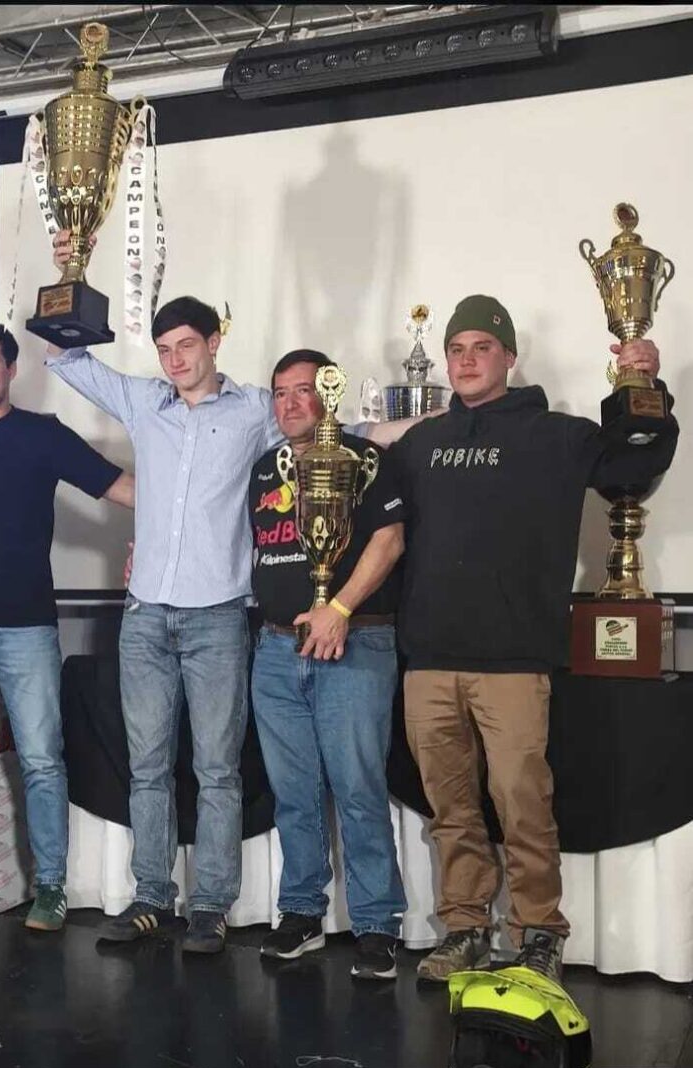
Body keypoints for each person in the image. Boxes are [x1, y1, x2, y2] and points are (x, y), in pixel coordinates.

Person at [45, 230, 416, 954]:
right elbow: (64, 358)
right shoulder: (143, 401)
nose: (175, 358)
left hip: (220, 618)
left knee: (215, 768)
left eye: (187, 343)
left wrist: (441, 420)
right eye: (165, 348)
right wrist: (71, 267)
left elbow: (351, 430)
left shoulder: (257, 410)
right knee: (147, 766)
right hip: (145, 615)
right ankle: (153, 896)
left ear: (215, 342)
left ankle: (210, 905)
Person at [391, 295, 679, 983]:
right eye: (456, 349)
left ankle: (537, 932)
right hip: (429, 659)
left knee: (523, 803)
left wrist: (647, 390)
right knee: (451, 810)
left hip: (515, 661)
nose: (465, 360)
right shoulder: (423, 444)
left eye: (480, 348)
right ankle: (464, 926)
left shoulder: (557, 434)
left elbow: (631, 472)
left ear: (509, 358)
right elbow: (381, 528)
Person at [0, 321, 134, 932]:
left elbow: (119, 487)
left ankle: (51, 887)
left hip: (27, 628)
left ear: (12, 369)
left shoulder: (43, 435)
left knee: (42, 760)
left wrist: (197, 510)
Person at [250, 349, 407, 978]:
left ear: (330, 395)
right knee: (293, 794)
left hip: (355, 641)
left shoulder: (366, 460)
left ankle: (375, 924)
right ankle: (301, 913)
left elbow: (389, 540)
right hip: (275, 650)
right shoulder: (267, 468)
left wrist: (337, 607)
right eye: (280, 393)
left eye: (304, 391)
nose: (291, 404)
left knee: (359, 789)